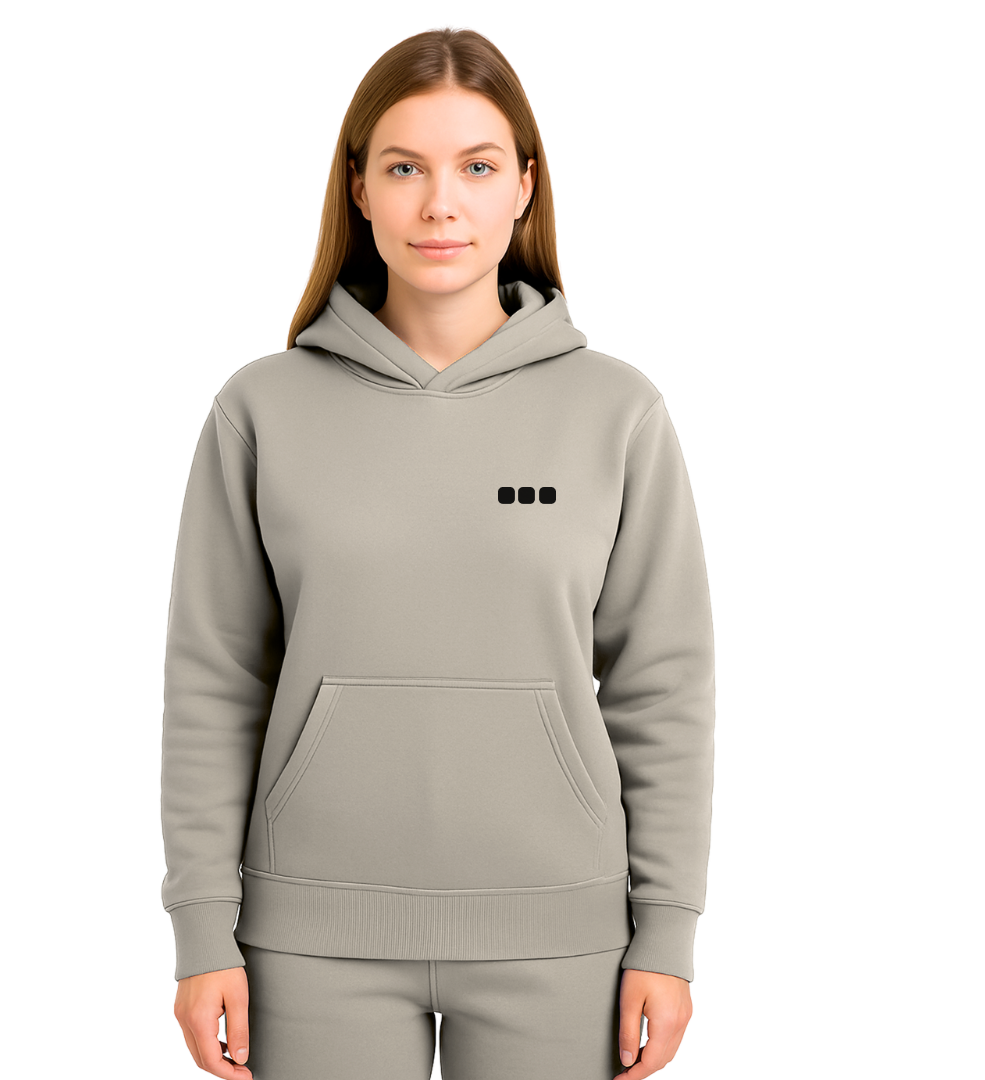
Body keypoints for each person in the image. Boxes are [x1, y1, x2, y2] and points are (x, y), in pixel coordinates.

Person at [160, 26, 716, 1080]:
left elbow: (664, 686)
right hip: (308, 938)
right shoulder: (262, 409)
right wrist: (201, 929)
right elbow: (214, 683)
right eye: (406, 168)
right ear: (360, 189)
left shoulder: (617, 412)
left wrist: (667, 933)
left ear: (526, 188)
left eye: (478, 167)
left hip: (562, 937)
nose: (440, 204)